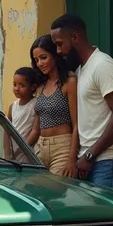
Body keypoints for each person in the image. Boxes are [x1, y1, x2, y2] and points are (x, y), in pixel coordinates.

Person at [50, 13, 113, 190]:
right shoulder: (81, 70)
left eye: (59, 44)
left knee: (106, 217)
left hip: (108, 162)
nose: (58, 51)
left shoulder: (102, 65)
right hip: (88, 161)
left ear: (75, 37)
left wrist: (89, 156)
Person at [26, 35, 78, 177]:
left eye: (43, 57)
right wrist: (18, 152)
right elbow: (36, 129)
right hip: (40, 148)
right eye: (36, 60)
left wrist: (72, 161)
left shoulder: (69, 82)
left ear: (55, 55)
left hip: (62, 149)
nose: (40, 63)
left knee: (55, 193)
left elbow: (76, 125)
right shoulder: (41, 86)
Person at [5, 67, 38, 162]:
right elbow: (6, 130)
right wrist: (7, 154)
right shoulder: (13, 106)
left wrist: (22, 149)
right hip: (13, 154)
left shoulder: (35, 104)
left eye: (22, 85)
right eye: (14, 84)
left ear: (33, 87)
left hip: (28, 152)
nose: (16, 88)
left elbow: (35, 131)